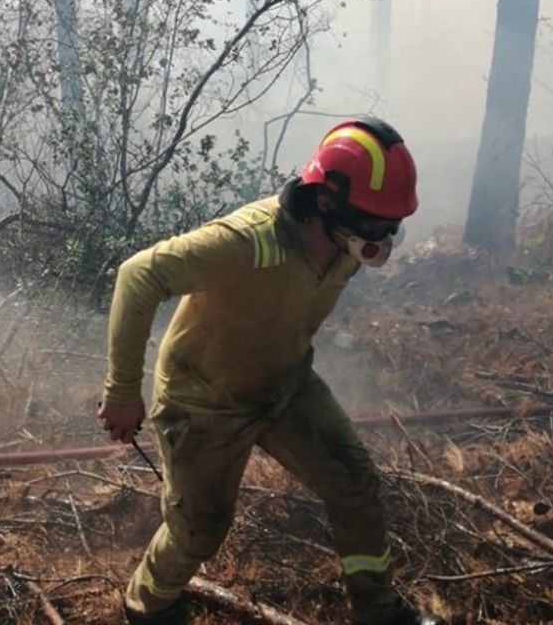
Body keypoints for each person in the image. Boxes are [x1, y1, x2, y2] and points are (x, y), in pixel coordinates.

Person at [97, 118, 442, 624]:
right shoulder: (249, 242)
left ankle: (379, 613)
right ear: (325, 203)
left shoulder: (345, 246)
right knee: (200, 530)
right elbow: (139, 274)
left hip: (286, 387)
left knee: (356, 485)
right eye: (374, 223)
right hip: (204, 402)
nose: (384, 237)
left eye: (392, 224)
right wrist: (123, 389)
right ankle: (147, 604)